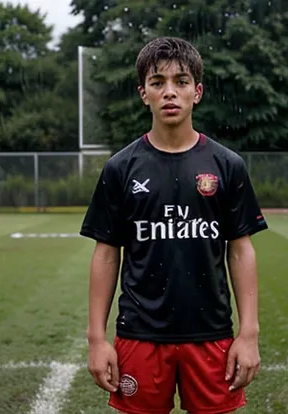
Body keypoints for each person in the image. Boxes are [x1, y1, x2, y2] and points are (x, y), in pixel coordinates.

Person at [80, 36, 268, 414]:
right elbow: (105, 254)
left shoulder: (227, 165)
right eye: (157, 82)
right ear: (143, 93)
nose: (170, 92)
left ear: (197, 92)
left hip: (211, 333)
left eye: (181, 82)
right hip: (140, 334)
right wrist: (96, 339)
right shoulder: (120, 168)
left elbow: (241, 249)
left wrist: (249, 333)